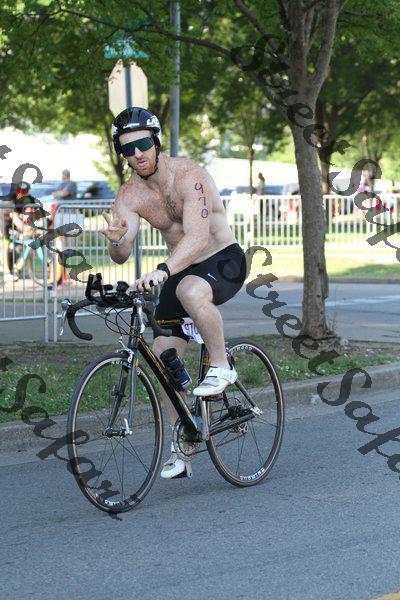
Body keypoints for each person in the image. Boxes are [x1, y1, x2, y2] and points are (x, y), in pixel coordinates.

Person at [101, 107, 247, 480]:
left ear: (157, 142)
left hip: (222, 259)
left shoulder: (190, 177)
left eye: (142, 144)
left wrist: (163, 270)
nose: (137, 154)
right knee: (164, 356)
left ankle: (221, 365)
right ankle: (184, 442)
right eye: (127, 148)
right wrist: (117, 241)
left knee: (189, 289)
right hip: (179, 270)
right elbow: (121, 253)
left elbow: (198, 237)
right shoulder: (129, 194)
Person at [0, 182, 37, 281]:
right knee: (5, 244)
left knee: (24, 244)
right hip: (3, 223)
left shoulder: (26, 199)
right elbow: (15, 218)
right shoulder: (10, 200)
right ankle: (6, 273)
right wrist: (26, 230)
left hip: (11, 225)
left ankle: (16, 268)